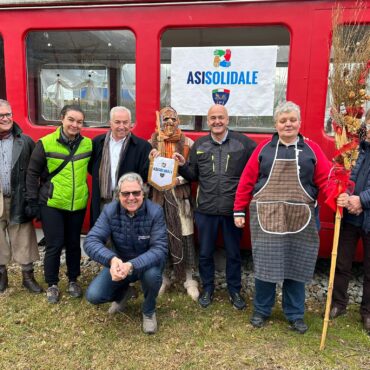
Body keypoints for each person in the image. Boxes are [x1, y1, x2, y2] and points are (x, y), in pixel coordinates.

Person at [234, 101, 332, 334]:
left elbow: (326, 180)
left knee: (296, 267)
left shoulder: (312, 150)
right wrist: (239, 210)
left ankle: (295, 314)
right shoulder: (264, 149)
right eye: (283, 120)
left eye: (292, 120)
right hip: (267, 217)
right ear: (276, 124)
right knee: (266, 266)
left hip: (301, 218)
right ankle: (261, 310)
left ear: (299, 122)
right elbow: (247, 180)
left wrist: (339, 199)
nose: (288, 124)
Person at [173, 104, 256, 309]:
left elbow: (258, 167)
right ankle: (208, 288)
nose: (217, 121)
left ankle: (234, 291)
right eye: (212, 118)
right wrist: (183, 165)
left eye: (221, 117)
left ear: (227, 120)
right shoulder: (200, 144)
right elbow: (193, 176)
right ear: (208, 121)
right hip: (205, 210)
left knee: (234, 253)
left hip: (233, 211)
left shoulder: (243, 143)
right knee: (205, 252)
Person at [84, 173, 167, 334]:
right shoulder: (110, 210)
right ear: (118, 195)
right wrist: (112, 260)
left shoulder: (155, 212)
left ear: (143, 193)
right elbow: (91, 240)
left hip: (146, 265)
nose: (131, 197)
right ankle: (124, 293)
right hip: (120, 264)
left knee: (152, 276)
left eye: (136, 193)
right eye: (125, 193)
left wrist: (132, 265)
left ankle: (149, 311)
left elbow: (159, 249)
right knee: (94, 295)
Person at [26, 105, 92, 303]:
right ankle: (52, 284)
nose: (75, 125)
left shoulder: (88, 144)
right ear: (62, 119)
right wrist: (32, 201)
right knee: (54, 245)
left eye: (79, 122)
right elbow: (32, 174)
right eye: (71, 120)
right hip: (52, 203)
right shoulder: (45, 143)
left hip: (77, 203)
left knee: (73, 244)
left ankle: (73, 280)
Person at [149, 107, 199, 300]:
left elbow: (196, 173)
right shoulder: (151, 143)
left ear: (179, 120)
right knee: (160, 238)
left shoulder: (188, 143)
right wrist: (151, 162)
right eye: (165, 119)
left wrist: (179, 179)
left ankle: (188, 278)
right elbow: (146, 171)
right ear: (160, 121)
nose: (169, 122)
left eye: (173, 119)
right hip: (158, 198)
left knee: (185, 235)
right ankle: (162, 277)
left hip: (181, 198)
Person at [331, 108, 370, 334]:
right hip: (351, 218)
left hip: (367, 215)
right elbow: (349, 175)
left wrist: (361, 200)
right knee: (342, 263)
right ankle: (338, 303)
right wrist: (346, 194)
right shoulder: (359, 149)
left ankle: (367, 312)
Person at [0, 99, 42, 294]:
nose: (6, 118)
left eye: (8, 114)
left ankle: (28, 277)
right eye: (1, 116)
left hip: (18, 197)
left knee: (24, 236)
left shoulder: (25, 141)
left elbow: (36, 170)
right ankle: (2, 275)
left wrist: (34, 197)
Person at [89, 106, 152, 227]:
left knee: (125, 239)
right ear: (110, 123)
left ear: (131, 124)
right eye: (117, 122)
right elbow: (91, 168)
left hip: (129, 202)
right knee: (101, 237)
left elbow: (145, 176)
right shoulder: (97, 142)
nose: (122, 126)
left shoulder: (143, 147)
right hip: (102, 200)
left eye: (125, 122)